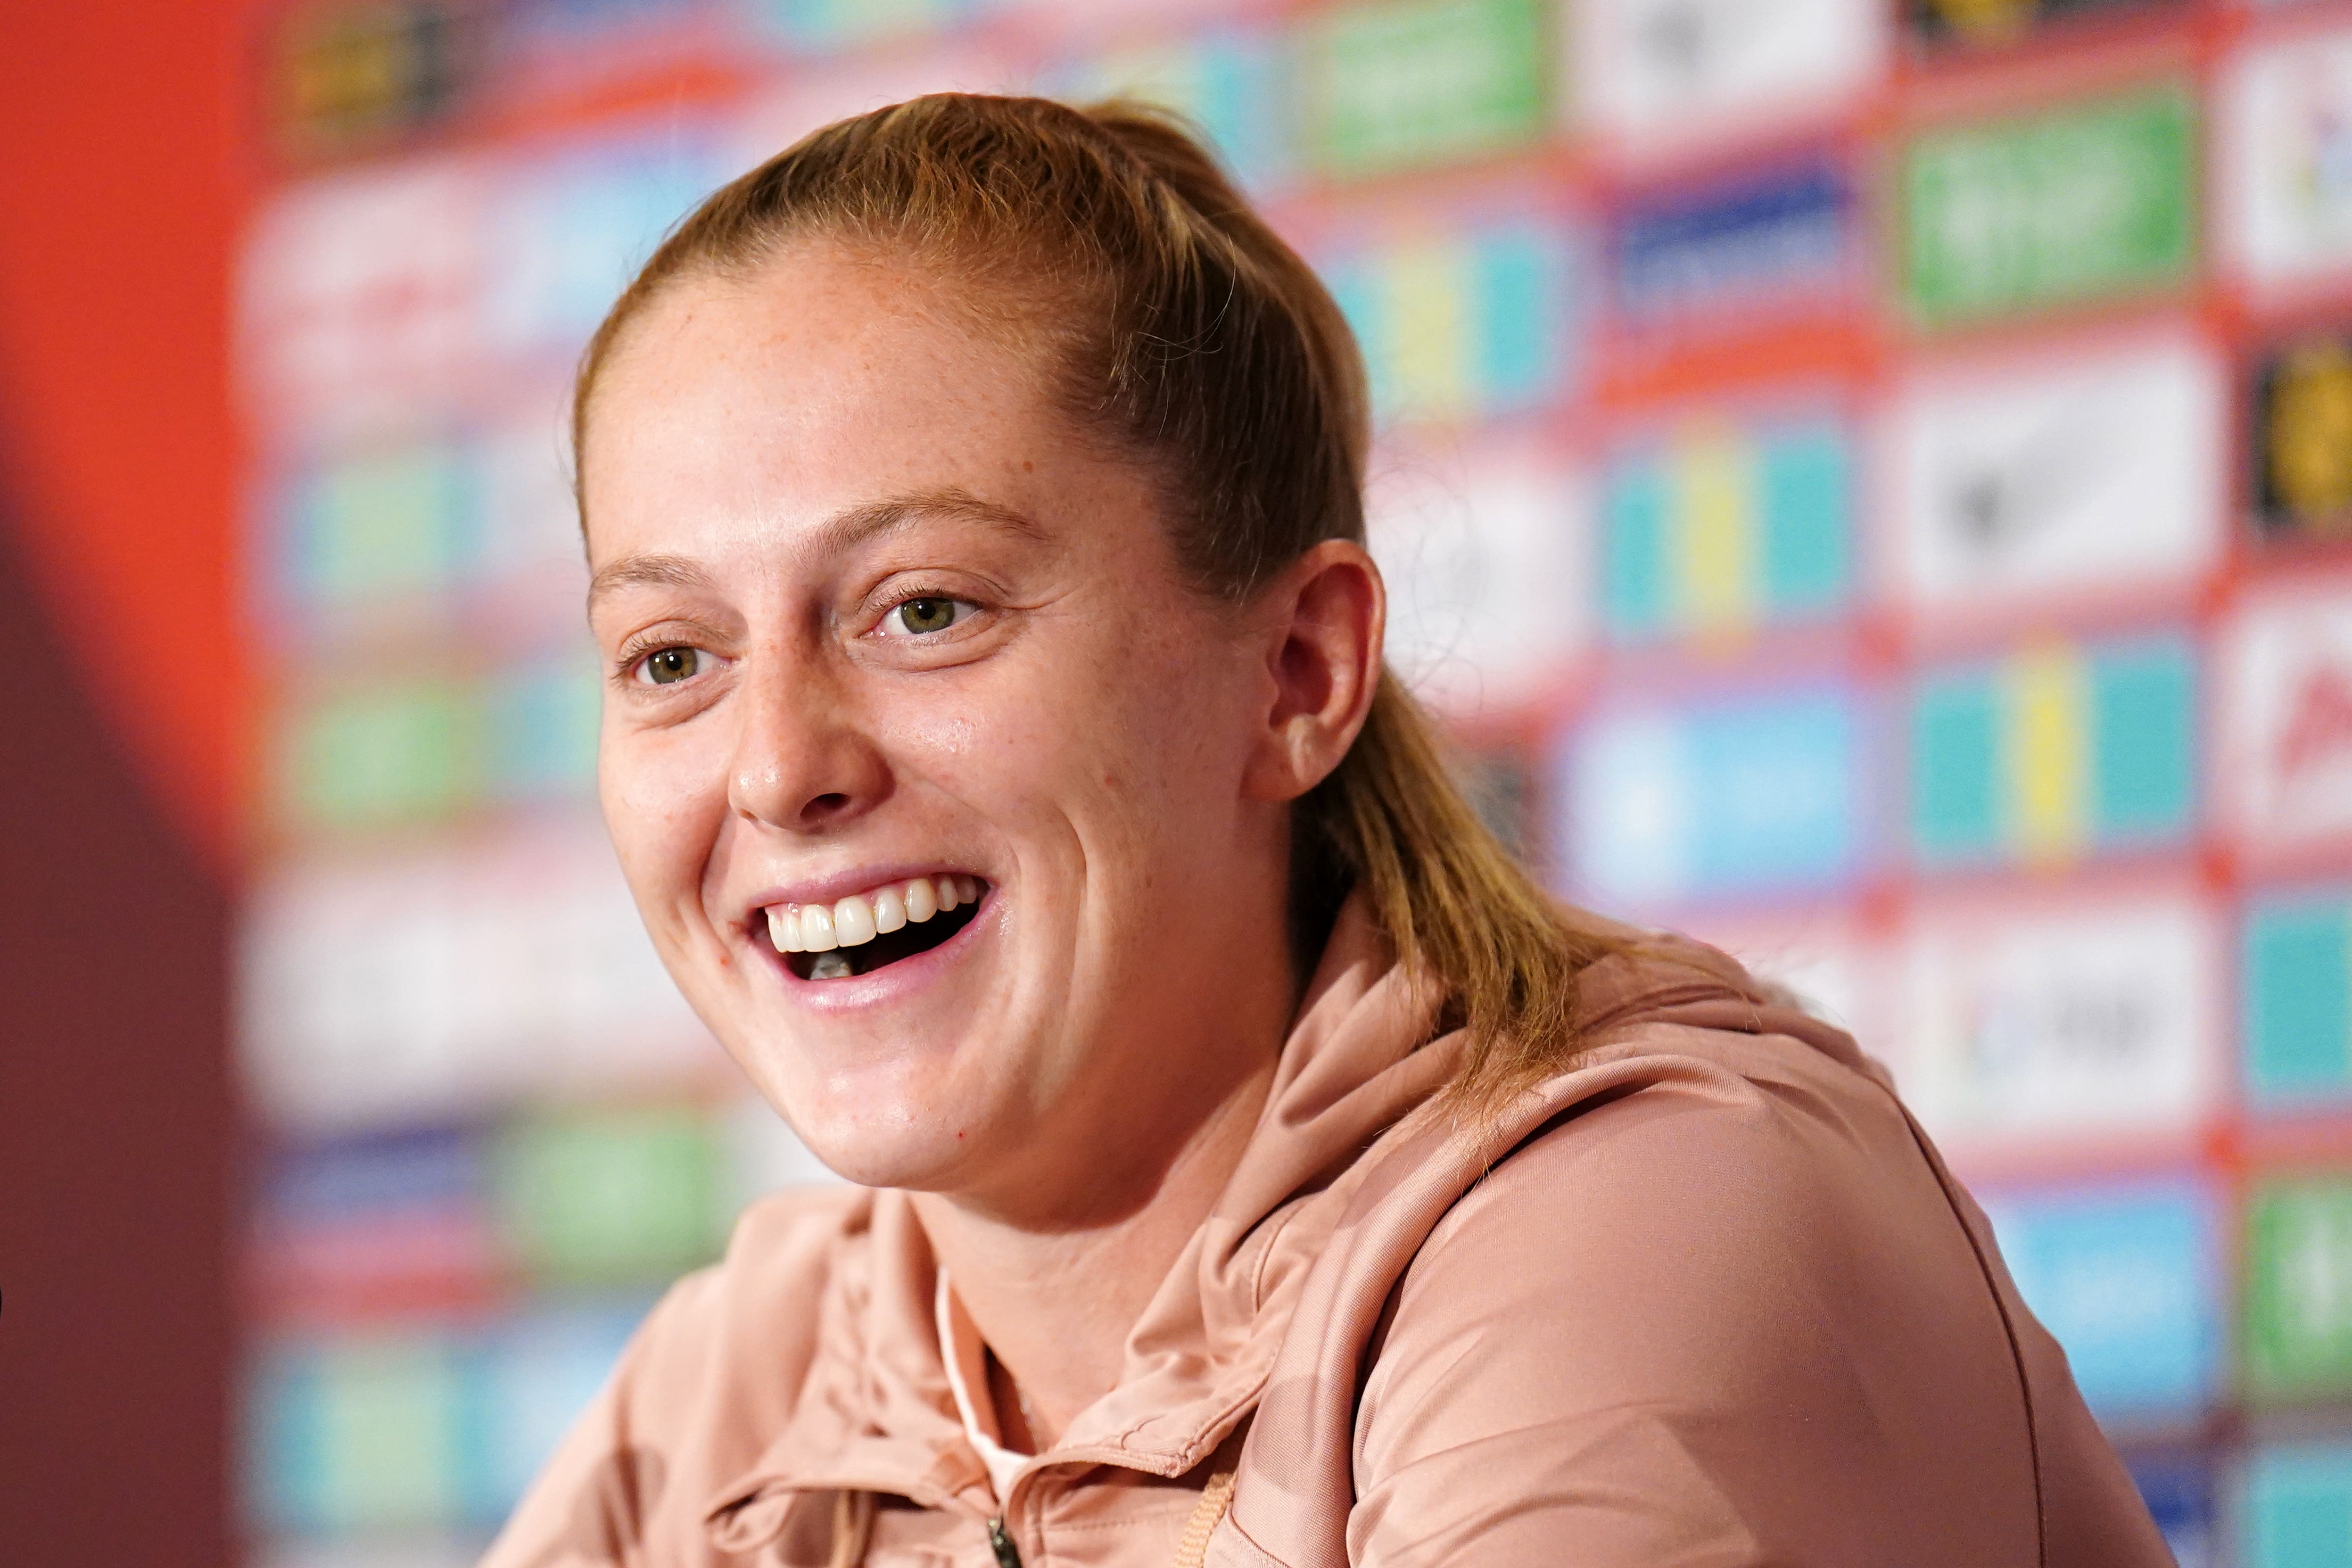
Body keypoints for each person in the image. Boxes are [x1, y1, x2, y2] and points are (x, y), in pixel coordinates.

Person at [482, 95, 2173, 1567]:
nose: (779, 765)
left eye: (925, 609)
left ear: (1296, 670)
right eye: (674, 656)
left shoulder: (1646, 1221)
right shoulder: (748, 1389)